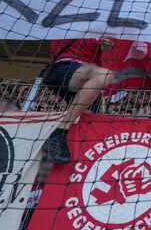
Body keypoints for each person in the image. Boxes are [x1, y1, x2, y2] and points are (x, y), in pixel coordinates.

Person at [41, 36, 116, 164]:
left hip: (90, 82)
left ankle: (74, 167)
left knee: (87, 127)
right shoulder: (70, 22)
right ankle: (59, 131)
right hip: (64, 68)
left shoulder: (101, 29)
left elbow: (104, 47)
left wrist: (107, 45)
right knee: (106, 75)